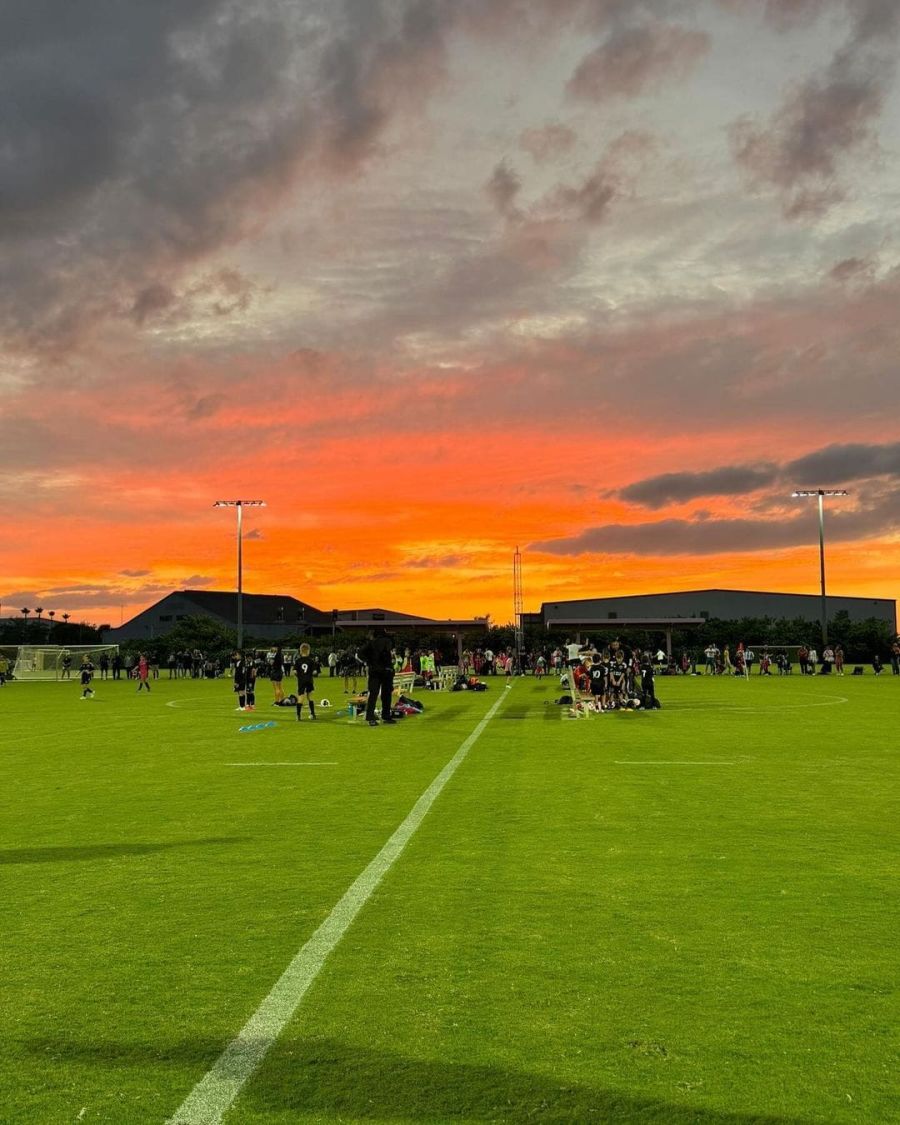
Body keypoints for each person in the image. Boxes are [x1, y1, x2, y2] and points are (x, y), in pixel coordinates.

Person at [359, 627, 396, 727]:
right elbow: (389, 653)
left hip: (375, 671)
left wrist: (368, 661)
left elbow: (360, 653)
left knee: (373, 694)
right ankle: (386, 715)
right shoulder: (388, 641)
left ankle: (370, 717)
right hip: (386, 670)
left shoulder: (371, 643)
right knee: (386, 694)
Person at [294, 643, 317, 721]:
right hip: (309, 680)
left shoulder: (298, 661)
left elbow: (294, 671)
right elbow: (314, 672)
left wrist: (300, 676)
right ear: (308, 651)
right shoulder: (311, 661)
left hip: (301, 681)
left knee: (300, 697)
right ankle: (313, 714)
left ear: (300, 651)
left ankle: (298, 716)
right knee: (310, 697)